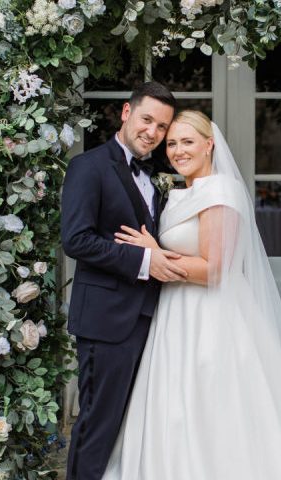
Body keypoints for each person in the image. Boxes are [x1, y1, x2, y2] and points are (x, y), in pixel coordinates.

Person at [102, 110, 281, 479]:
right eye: (172, 143)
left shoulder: (219, 190)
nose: (178, 151)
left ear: (209, 144)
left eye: (188, 142)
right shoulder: (182, 192)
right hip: (176, 310)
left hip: (212, 314)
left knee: (215, 402)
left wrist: (154, 255)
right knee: (178, 404)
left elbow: (213, 269)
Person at [61, 82, 188, 480]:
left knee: (133, 426)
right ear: (126, 113)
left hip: (150, 317)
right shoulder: (89, 166)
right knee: (98, 424)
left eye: (162, 126)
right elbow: (76, 239)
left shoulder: (157, 175)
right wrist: (144, 261)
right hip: (106, 320)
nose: (152, 131)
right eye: (147, 119)